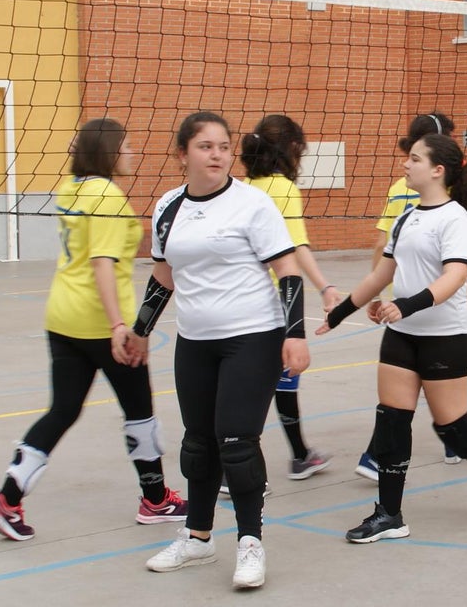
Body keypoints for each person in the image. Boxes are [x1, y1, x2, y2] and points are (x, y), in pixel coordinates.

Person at [0, 118, 187, 542]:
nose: (133, 152)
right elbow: (102, 265)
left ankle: (7, 498)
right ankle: (155, 500)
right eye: (127, 146)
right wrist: (118, 326)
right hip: (98, 322)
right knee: (140, 411)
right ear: (109, 151)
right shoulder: (107, 195)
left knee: (63, 410)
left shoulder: (71, 188)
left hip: (61, 317)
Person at [318, 134, 467, 542]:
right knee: (392, 421)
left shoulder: (456, 220)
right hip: (401, 336)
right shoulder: (407, 217)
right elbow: (383, 274)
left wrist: (406, 305)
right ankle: (389, 514)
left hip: (445, 336)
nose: (405, 165)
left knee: (452, 427)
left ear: (437, 170)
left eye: (414, 159)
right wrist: (342, 313)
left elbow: (454, 276)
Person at [137, 111, 310, 589]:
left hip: (252, 337)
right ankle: (197, 538)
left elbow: (288, 269)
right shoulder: (168, 206)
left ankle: (250, 543)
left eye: (223, 146)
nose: (216, 155)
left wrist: (294, 333)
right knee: (198, 443)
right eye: (205, 146)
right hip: (194, 341)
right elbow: (163, 276)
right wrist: (139, 330)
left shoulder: (252, 205)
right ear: (182, 155)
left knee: (236, 443)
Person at [353, 112, 463, 482]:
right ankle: (380, 459)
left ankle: (448, 441)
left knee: (419, 398)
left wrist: (382, 292)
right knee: (399, 402)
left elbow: (458, 265)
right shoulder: (424, 188)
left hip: (434, 310)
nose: (409, 162)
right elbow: (387, 249)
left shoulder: (433, 198)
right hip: (412, 313)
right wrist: (379, 292)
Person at [239, 114, 342, 480]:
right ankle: (234, 468)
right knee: (266, 383)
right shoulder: (282, 189)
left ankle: (299, 454)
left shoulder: (245, 186)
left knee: (278, 379)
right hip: (273, 302)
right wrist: (325, 287)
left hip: (243, 298)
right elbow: (296, 247)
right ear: (292, 149)